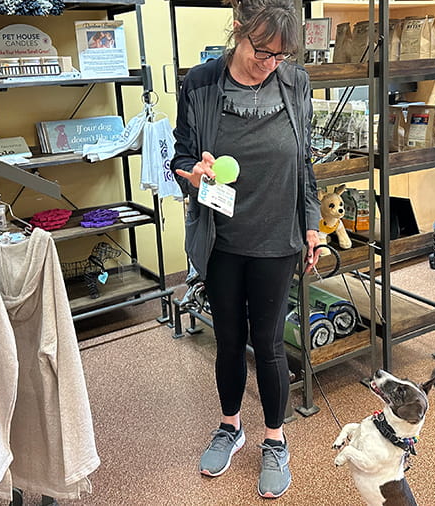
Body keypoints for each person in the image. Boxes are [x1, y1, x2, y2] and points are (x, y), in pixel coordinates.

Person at [171, 0, 320, 498]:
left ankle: (275, 441)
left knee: (272, 343)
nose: (270, 62)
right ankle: (231, 427)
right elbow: (182, 157)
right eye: (262, 50)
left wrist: (313, 226)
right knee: (229, 340)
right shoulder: (200, 84)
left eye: (281, 55)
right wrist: (192, 173)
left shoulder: (295, 83)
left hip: (278, 238)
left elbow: (305, 164)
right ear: (238, 30)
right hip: (222, 240)